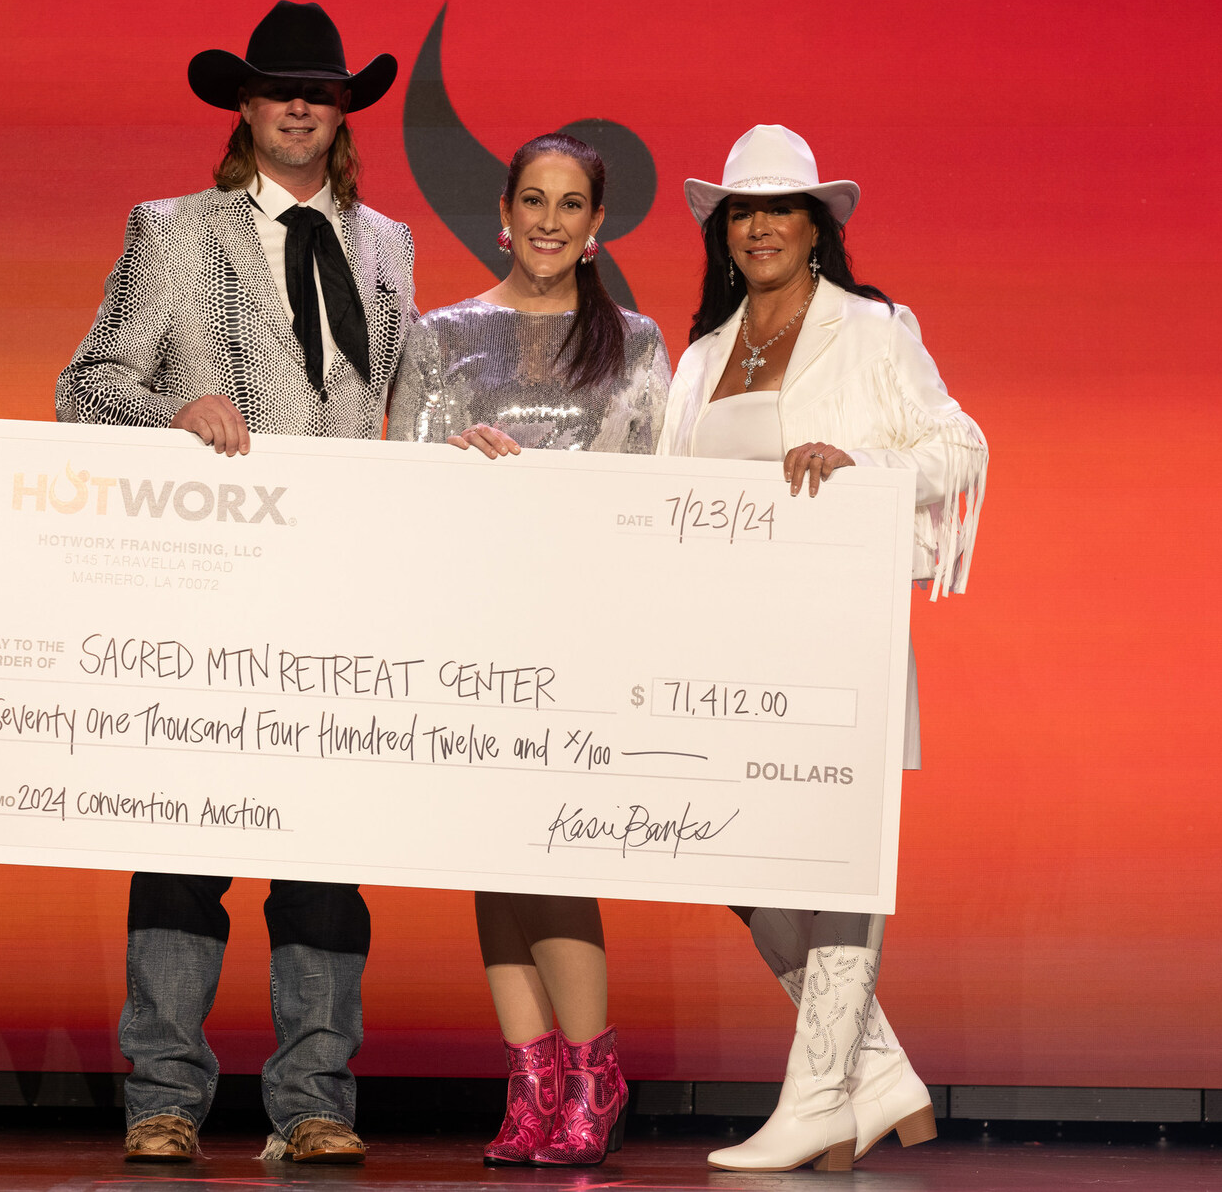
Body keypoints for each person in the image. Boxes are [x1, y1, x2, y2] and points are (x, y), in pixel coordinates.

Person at [54, 0, 418, 1165]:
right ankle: (163, 1096)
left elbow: (402, 408)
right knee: (183, 844)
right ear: (246, 108)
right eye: (279, 90)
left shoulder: (389, 246)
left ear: (344, 111)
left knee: (325, 859)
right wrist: (176, 408)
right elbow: (85, 386)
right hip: (208, 586)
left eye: (321, 91)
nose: (300, 107)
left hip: (341, 586)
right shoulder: (172, 230)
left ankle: (314, 1100)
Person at [655, 124, 988, 1172]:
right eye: (742, 211)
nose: (759, 226)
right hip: (724, 644)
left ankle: (817, 1101)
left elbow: (958, 443)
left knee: (839, 850)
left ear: (815, 227)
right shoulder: (702, 356)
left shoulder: (872, 330)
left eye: (780, 210)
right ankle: (872, 1075)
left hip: (835, 627)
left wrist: (859, 462)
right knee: (728, 849)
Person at [387, 133, 669, 1166]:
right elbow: (404, 474)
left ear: (597, 226)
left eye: (571, 204)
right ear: (504, 213)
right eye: (534, 200)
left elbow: (651, 487)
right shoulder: (440, 334)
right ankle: (532, 1079)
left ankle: (594, 1072)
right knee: (490, 853)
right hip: (469, 616)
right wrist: (454, 458)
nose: (550, 221)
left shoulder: (634, 342)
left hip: (579, 621)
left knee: (553, 844)